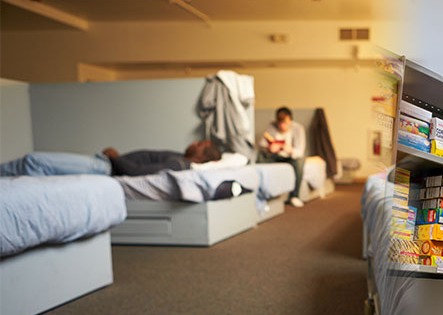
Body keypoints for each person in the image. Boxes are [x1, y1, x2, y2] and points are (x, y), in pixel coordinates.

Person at [0, 141, 248, 177]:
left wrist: (115, 157)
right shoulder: (180, 156)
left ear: (202, 154)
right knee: (35, 167)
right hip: (103, 162)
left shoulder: (179, 164)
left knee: (35, 161)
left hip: (104, 167)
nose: (194, 142)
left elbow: (137, 172)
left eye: (199, 144)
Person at [258, 107, 306, 208]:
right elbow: (261, 144)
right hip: (275, 157)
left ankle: (294, 196)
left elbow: (300, 151)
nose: (282, 126)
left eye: (285, 123)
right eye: (280, 123)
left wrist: (290, 150)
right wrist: (269, 148)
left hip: (290, 158)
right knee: (259, 156)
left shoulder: (298, 129)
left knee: (300, 162)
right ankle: (261, 192)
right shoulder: (271, 127)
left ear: (290, 121)